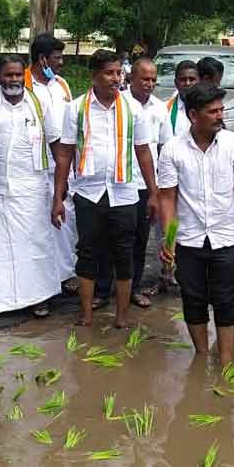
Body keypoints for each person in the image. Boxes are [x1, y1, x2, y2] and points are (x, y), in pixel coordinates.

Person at [52, 49, 159, 328]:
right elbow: (64, 154)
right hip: (88, 193)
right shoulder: (75, 108)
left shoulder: (133, 109)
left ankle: (122, 317)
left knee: (124, 254)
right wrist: (57, 197)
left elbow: (144, 152)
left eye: (118, 73)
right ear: (94, 76)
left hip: (124, 193)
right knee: (88, 252)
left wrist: (154, 193)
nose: (116, 78)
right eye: (109, 73)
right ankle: (86, 315)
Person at [158, 83, 234, 366]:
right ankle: (202, 358)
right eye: (213, 111)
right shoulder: (172, 150)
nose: (220, 115)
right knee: (192, 299)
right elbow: (167, 199)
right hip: (189, 239)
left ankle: (226, 361)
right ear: (193, 115)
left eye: (221, 109)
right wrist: (168, 240)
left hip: (227, 237)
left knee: (226, 300)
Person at [0, 56, 62, 317]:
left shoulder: (39, 103)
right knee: (4, 247)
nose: (14, 80)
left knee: (37, 243)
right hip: (1, 189)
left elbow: (56, 143)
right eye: (9, 75)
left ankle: (39, 298)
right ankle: (8, 299)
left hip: (34, 187)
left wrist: (59, 189)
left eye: (19, 75)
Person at [94, 57, 169, 309]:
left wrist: (157, 191)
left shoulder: (160, 108)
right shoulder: (118, 103)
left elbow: (163, 148)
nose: (149, 84)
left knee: (138, 240)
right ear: (131, 79)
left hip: (146, 185)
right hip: (118, 183)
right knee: (106, 240)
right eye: (144, 79)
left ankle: (133, 289)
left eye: (153, 80)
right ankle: (103, 291)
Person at [26, 33, 78, 294]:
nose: (61, 63)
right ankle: (40, 280)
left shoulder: (61, 85)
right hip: (33, 167)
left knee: (64, 220)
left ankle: (65, 274)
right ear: (42, 58)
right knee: (37, 223)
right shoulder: (22, 85)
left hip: (63, 166)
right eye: (57, 58)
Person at [162, 60, 199, 138]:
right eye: (183, 80)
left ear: (199, 81)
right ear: (176, 83)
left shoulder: (208, 109)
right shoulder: (165, 109)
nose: (187, 83)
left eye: (192, 79)